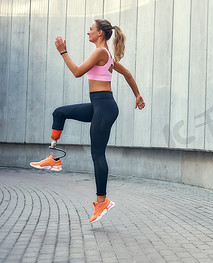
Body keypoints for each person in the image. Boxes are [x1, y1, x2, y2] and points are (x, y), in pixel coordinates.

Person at [30, 19, 145, 223]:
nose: (88, 32)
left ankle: (102, 202)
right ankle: (53, 158)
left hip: (105, 107)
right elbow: (127, 74)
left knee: (97, 154)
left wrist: (63, 51)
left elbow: (77, 72)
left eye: (91, 29)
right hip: (99, 105)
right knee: (60, 113)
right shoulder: (107, 55)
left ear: (100, 33)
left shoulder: (101, 53)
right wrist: (137, 95)